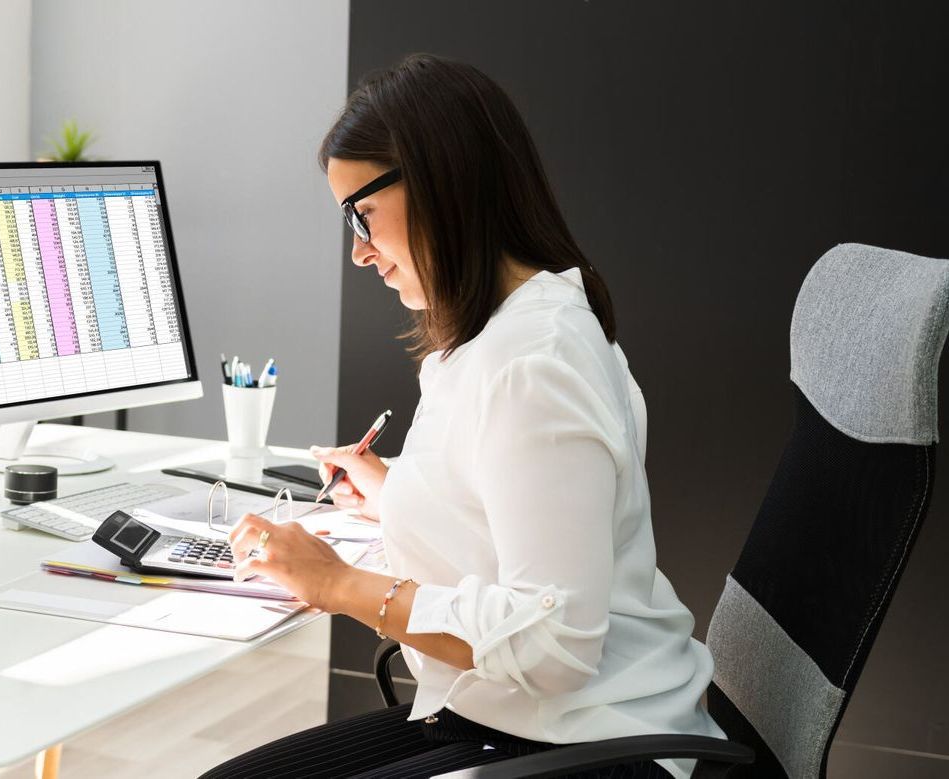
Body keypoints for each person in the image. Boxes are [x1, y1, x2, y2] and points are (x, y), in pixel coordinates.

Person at [202, 54, 724, 779]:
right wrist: (393, 492)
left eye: (361, 215)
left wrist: (338, 583)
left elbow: (552, 646)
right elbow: (513, 510)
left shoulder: (534, 363)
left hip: (591, 742)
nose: (357, 251)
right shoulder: (502, 330)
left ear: (440, 185)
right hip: (511, 719)